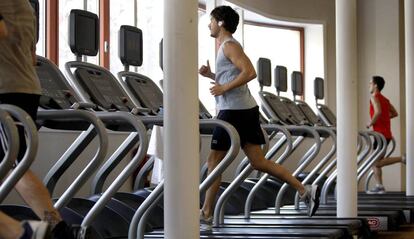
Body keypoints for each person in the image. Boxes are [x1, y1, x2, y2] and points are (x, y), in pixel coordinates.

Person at [198, 5, 320, 229]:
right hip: (244, 110)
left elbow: (250, 72)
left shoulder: (229, 45)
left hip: (233, 112)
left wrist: (223, 87)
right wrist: (212, 76)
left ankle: (205, 212)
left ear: (221, 23)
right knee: (258, 162)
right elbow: (235, 74)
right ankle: (304, 189)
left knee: (214, 162)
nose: (209, 24)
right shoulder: (226, 47)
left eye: (212, 20)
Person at [0, 1, 77, 238]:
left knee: (14, 163)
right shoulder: (26, 4)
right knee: (16, 163)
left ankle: (24, 233)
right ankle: (57, 228)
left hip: (4, 87)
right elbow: (32, 56)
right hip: (25, 86)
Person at [366, 76, 405, 194]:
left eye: (370, 83)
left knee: (375, 162)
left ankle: (402, 158)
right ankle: (380, 186)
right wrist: (384, 118)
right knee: (376, 162)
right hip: (385, 134)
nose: (369, 85)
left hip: (381, 135)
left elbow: (378, 112)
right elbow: (395, 113)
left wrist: (370, 123)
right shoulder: (385, 99)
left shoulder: (374, 97)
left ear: (375, 85)